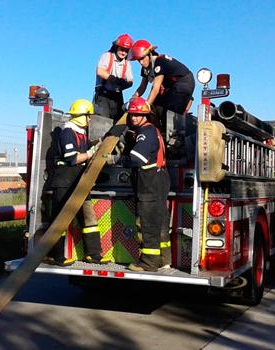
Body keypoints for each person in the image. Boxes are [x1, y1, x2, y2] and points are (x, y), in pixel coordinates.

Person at [105, 97, 170, 272]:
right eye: (132, 114)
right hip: (158, 179)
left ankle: (148, 263)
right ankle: (164, 259)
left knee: (147, 223)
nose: (133, 118)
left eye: (138, 115)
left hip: (149, 182)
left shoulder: (145, 133)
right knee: (160, 221)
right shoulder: (151, 131)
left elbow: (137, 159)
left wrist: (115, 158)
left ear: (145, 115)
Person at [46, 99, 107, 266]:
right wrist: (90, 153)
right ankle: (55, 256)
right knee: (60, 220)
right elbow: (72, 159)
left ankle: (93, 255)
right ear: (82, 116)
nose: (90, 120)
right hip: (65, 182)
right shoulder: (68, 133)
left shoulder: (81, 134)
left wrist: (100, 147)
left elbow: (88, 151)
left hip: (80, 182)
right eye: (88, 116)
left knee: (89, 219)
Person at [129, 39, 195, 129]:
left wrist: (145, 108)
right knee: (156, 107)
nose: (141, 62)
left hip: (184, 82)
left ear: (150, 54)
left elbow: (155, 89)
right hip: (170, 86)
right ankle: (157, 132)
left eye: (142, 58)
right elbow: (142, 87)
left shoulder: (159, 62)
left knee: (171, 111)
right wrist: (132, 100)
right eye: (138, 60)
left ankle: (174, 136)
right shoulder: (145, 68)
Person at [94, 33, 134, 122]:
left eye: (126, 51)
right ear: (116, 47)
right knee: (102, 122)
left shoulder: (127, 63)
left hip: (117, 97)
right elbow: (100, 71)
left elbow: (131, 81)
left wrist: (124, 84)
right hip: (103, 95)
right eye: (122, 49)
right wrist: (114, 79)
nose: (123, 52)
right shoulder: (107, 56)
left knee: (119, 123)